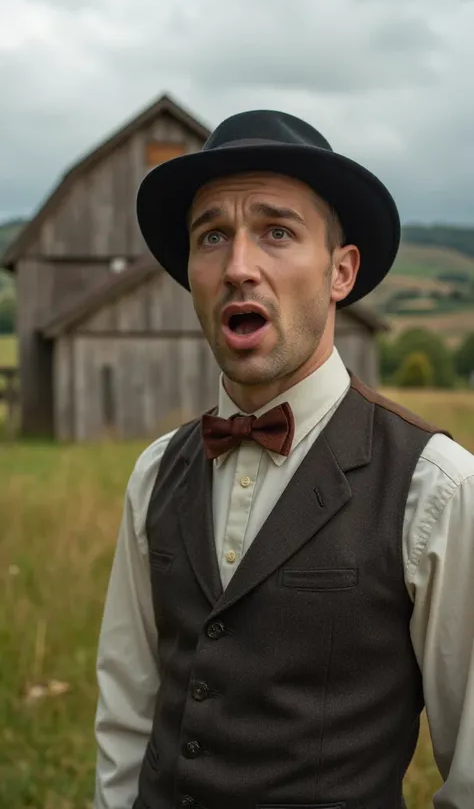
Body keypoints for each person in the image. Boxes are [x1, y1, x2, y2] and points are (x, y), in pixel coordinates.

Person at [93, 110, 474, 809]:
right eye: (212, 236)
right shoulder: (154, 474)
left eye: (277, 232)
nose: (240, 266)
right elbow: (125, 720)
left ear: (341, 271)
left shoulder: (438, 489)